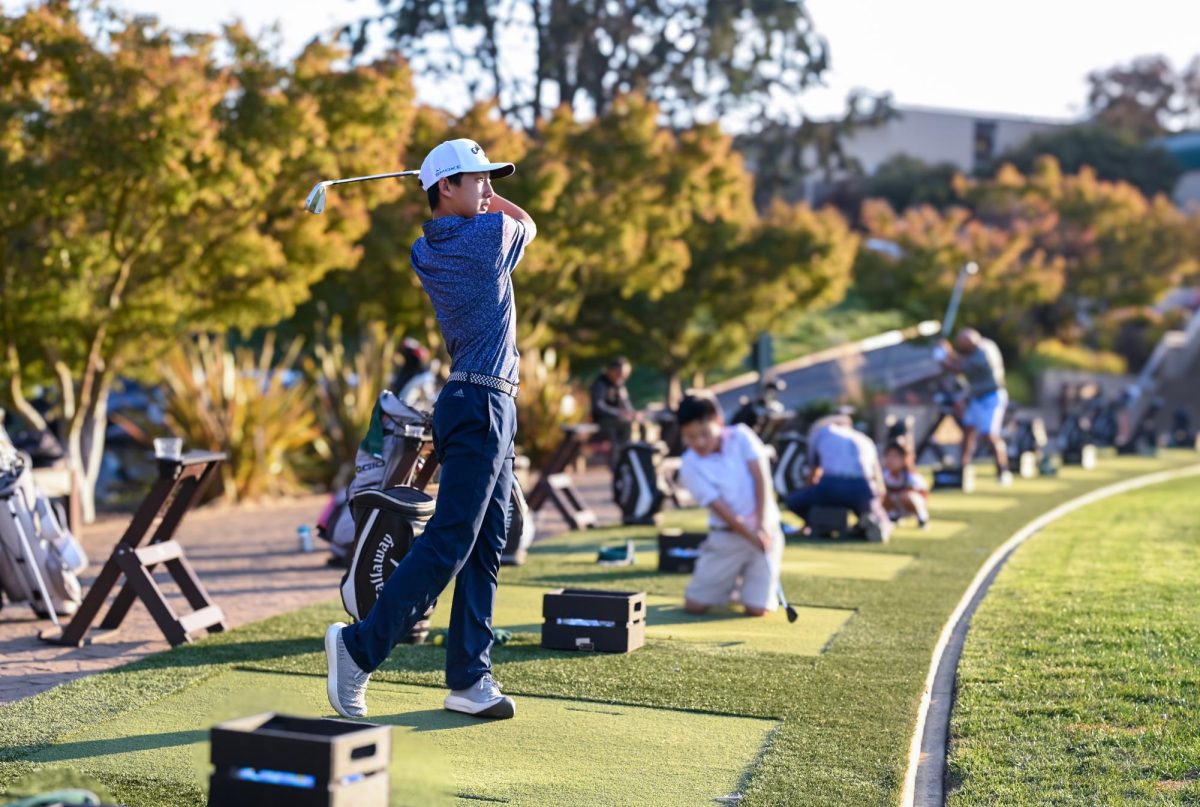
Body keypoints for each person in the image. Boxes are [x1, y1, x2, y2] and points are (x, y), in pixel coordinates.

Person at [325, 138, 535, 721]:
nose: (490, 189)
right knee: (451, 539)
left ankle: (471, 678)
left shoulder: (426, 249)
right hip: (482, 404)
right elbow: (528, 224)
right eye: (478, 179)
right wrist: (494, 202)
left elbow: (497, 214)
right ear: (445, 186)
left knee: (486, 539)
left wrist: (474, 190)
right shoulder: (489, 236)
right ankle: (359, 648)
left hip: (472, 400)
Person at [674, 392, 783, 617]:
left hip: (767, 531)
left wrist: (762, 525)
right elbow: (721, 509)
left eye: (704, 433)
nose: (699, 442)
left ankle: (741, 585)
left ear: (719, 422)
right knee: (695, 606)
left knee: (757, 609)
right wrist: (751, 535)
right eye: (690, 436)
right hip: (727, 536)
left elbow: (761, 479)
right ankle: (730, 585)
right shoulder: (689, 465)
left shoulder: (742, 436)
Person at [784, 414, 891, 542]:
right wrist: (875, 502)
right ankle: (875, 524)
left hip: (832, 485)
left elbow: (814, 473)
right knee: (873, 512)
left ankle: (824, 524)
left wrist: (808, 491)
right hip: (864, 486)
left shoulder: (821, 433)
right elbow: (879, 482)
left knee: (793, 501)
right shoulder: (863, 438)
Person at [938, 328, 1012, 485]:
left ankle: (1002, 470)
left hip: (991, 397)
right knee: (968, 430)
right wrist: (948, 353)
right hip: (976, 397)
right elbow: (960, 361)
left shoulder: (983, 353)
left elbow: (958, 368)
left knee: (989, 435)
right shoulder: (979, 348)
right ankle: (963, 468)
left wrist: (944, 355)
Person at [590, 357, 636, 464]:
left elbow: (626, 403)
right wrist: (618, 413)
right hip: (602, 420)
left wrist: (632, 413)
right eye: (620, 373)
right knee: (624, 425)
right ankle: (621, 459)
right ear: (612, 370)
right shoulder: (600, 384)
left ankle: (633, 456)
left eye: (626, 374)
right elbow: (598, 407)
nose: (623, 377)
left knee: (637, 423)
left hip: (616, 420)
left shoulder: (619, 385)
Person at [881, 441, 929, 528]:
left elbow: (923, 492)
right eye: (888, 456)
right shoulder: (884, 474)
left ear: (904, 459)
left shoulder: (910, 475)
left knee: (906, 495)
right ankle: (893, 517)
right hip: (894, 505)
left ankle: (922, 518)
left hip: (909, 505)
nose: (890, 460)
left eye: (895, 456)